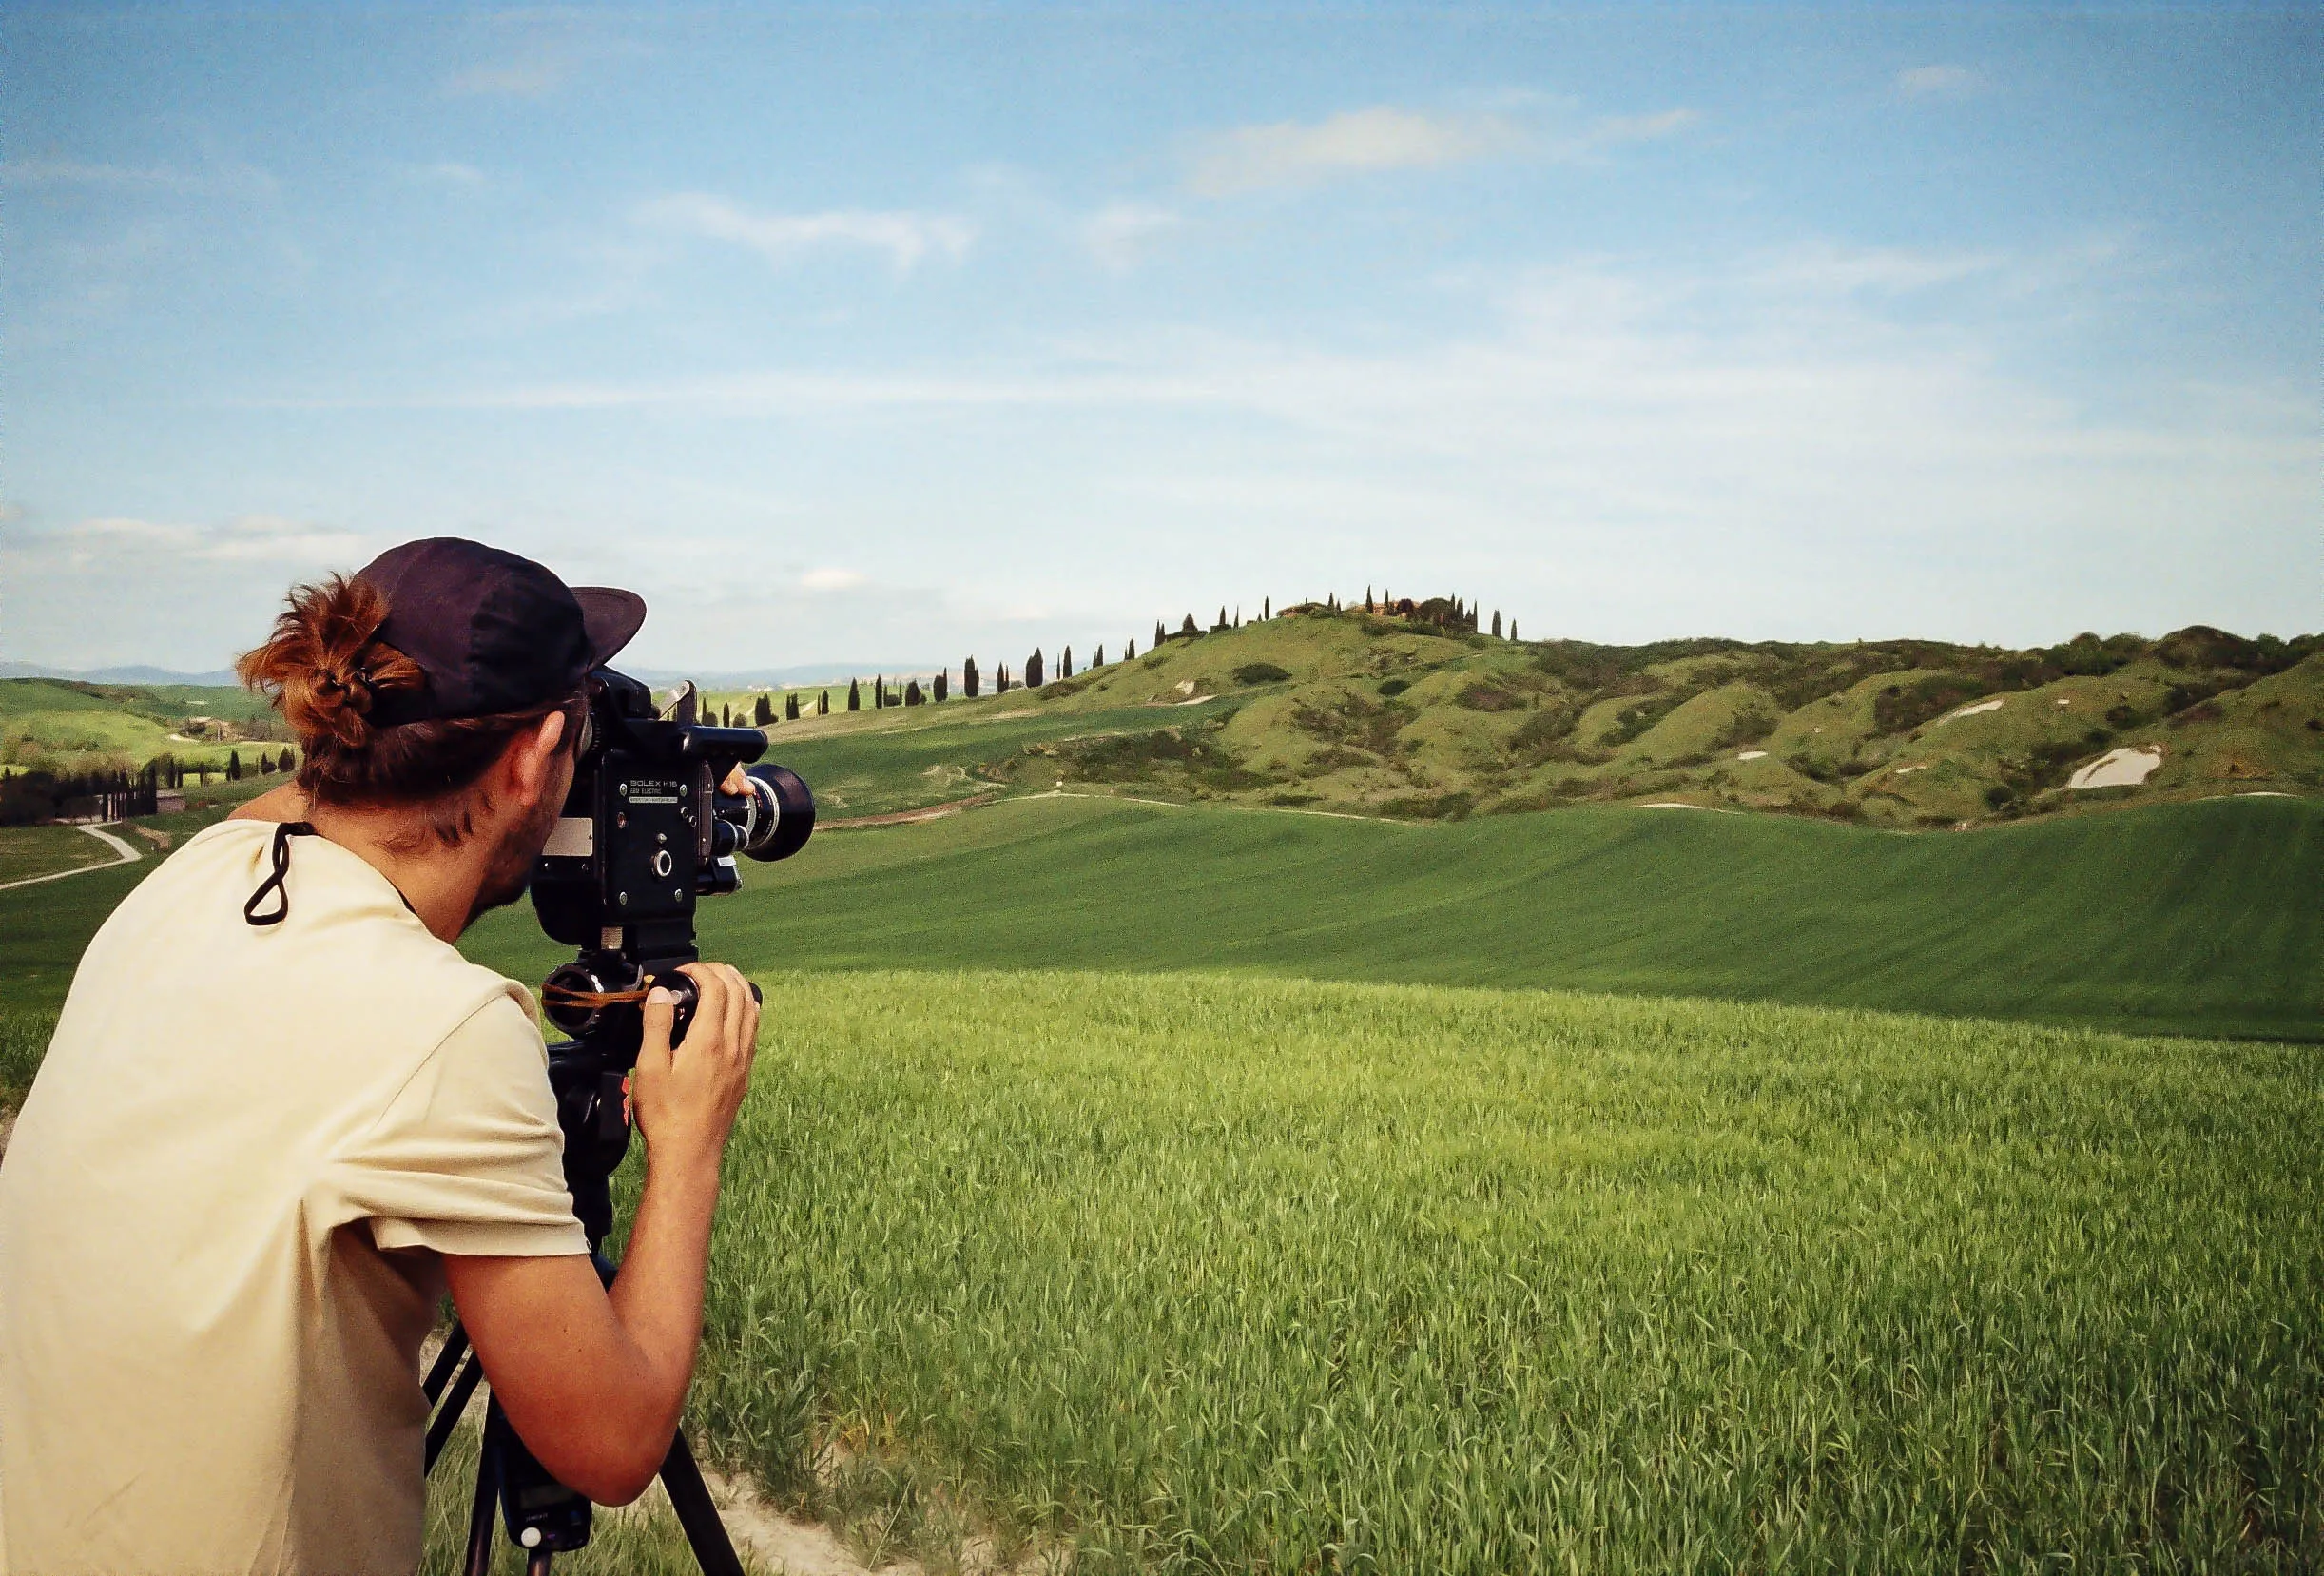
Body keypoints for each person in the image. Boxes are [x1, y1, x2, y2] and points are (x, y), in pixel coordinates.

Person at [0, 538, 764, 1574]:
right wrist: (688, 1148)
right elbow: (613, 1445)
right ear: (533, 758)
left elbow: (298, 808)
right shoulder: (440, 1028)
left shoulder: (185, 885)